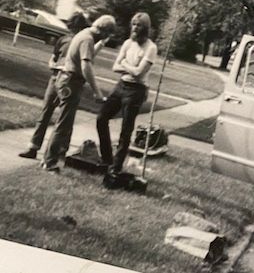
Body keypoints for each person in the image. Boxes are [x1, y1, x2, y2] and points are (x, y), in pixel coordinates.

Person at [18, 12, 101, 160]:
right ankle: (33, 147)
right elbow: (52, 60)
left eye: (75, 28)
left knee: (65, 119)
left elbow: (87, 60)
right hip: (56, 78)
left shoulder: (84, 42)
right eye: (72, 28)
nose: (73, 31)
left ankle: (61, 150)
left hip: (70, 80)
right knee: (46, 113)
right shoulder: (63, 40)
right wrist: (56, 66)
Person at [41, 14, 116, 172]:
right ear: (104, 31)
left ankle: (47, 159)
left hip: (64, 79)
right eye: (108, 34)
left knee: (62, 124)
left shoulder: (84, 35)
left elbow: (87, 55)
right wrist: (97, 92)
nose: (107, 37)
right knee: (63, 125)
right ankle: (50, 163)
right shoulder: (87, 39)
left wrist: (101, 44)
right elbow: (86, 66)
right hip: (71, 82)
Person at [97, 12, 158, 179]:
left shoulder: (150, 48)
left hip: (136, 91)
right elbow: (115, 67)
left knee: (126, 130)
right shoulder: (127, 43)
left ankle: (115, 168)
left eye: (138, 26)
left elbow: (139, 73)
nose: (135, 28)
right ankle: (107, 158)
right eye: (133, 24)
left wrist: (124, 64)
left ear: (145, 28)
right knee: (101, 118)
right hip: (121, 86)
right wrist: (128, 66)